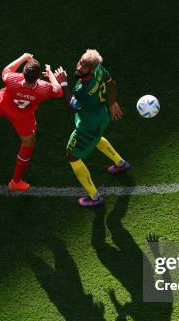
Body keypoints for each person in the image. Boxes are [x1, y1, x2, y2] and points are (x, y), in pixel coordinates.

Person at [0, 53, 63, 192]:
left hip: (3, 104)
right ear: (39, 77)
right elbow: (58, 91)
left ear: (23, 73)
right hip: (23, 116)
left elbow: (6, 70)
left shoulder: (12, 79)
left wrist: (24, 57)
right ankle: (15, 181)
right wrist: (51, 73)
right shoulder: (44, 88)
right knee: (28, 143)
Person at [54, 49, 130, 207]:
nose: (80, 67)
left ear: (93, 68)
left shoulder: (81, 89)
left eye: (85, 66)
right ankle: (121, 163)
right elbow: (111, 84)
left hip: (88, 125)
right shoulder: (100, 70)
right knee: (96, 139)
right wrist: (113, 102)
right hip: (101, 116)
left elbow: (71, 108)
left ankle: (95, 197)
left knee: (72, 156)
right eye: (81, 62)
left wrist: (63, 83)